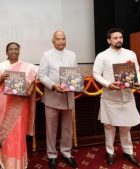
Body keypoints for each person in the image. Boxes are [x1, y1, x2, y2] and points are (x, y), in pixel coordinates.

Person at [92, 28, 140, 167]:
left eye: (120, 37)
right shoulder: (102, 56)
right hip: (110, 96)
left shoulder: (130, 54)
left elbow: (137, 71)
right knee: (109, 126)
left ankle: (128, 151)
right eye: (115, 38)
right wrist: (108, 84)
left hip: (127, 96)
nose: (119, 40)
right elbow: (96, 74)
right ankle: (110, 152)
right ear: (109, 40)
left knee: (126, 126)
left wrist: (139, 83)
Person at [0, 42, 38, 169]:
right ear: (6, 52)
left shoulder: (27, 67)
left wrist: (27, 92)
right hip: (4, 107)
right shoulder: (2, 66)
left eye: (16, 49)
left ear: (19, 51)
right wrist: (1, 79)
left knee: (18, 135)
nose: (13, 51)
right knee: (7, 135)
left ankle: (19, 164)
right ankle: (7, 163)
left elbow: (33, 81)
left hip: (20, 106)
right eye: (10, 49)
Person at [38, 30, 78, 169]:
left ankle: (66, 152)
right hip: (52, 96)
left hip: (68, 97)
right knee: (51, 128)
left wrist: (76, 82)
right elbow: (42, 76)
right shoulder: (46, 55)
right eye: (58, 39)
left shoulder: (72, 55)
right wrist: (53, 85)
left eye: (63, 39)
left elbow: (74, 73)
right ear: (53, 40)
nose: (61, 41)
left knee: (68, 128)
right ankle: (52, 155)